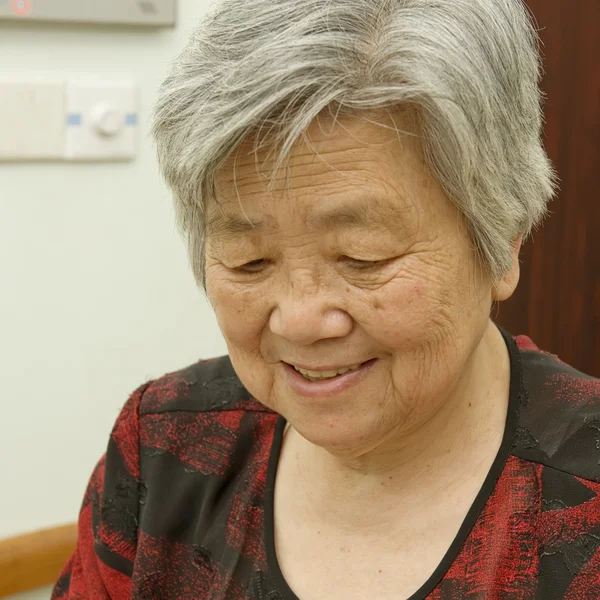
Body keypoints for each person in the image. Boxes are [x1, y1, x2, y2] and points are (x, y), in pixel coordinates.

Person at [52, 0, 600, 598]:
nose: (300, 319)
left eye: (362, 257)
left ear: (502, 241)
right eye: (248, 260)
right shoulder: (164, 449)